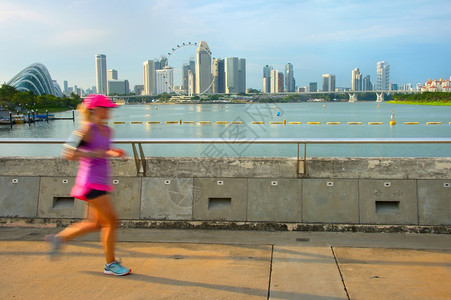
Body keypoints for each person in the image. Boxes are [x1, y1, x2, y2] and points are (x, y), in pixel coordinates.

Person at [45, 94, 131, 276]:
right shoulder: (85, 130)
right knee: (111, 222)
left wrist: (112, 151)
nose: (110, 111)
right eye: (106, 108)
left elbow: (103, 149)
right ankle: (111, 264)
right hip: (90, 183)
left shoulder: (107, 131)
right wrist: (95, 154)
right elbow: (68, 154)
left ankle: (59, 238)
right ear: (96, 110)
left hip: (101, 182)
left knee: (94, 223)